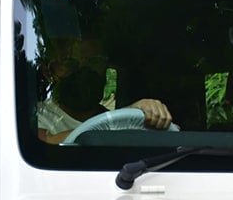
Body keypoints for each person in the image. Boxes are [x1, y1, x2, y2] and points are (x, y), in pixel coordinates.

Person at [37, 38, 173, 144]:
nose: (83, 70)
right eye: (69, 63)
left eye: (94, 61)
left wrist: (155, 117)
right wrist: (127, 115)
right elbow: (45, 143)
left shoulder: (117, 118)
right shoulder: (36, 116)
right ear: (48, 72)